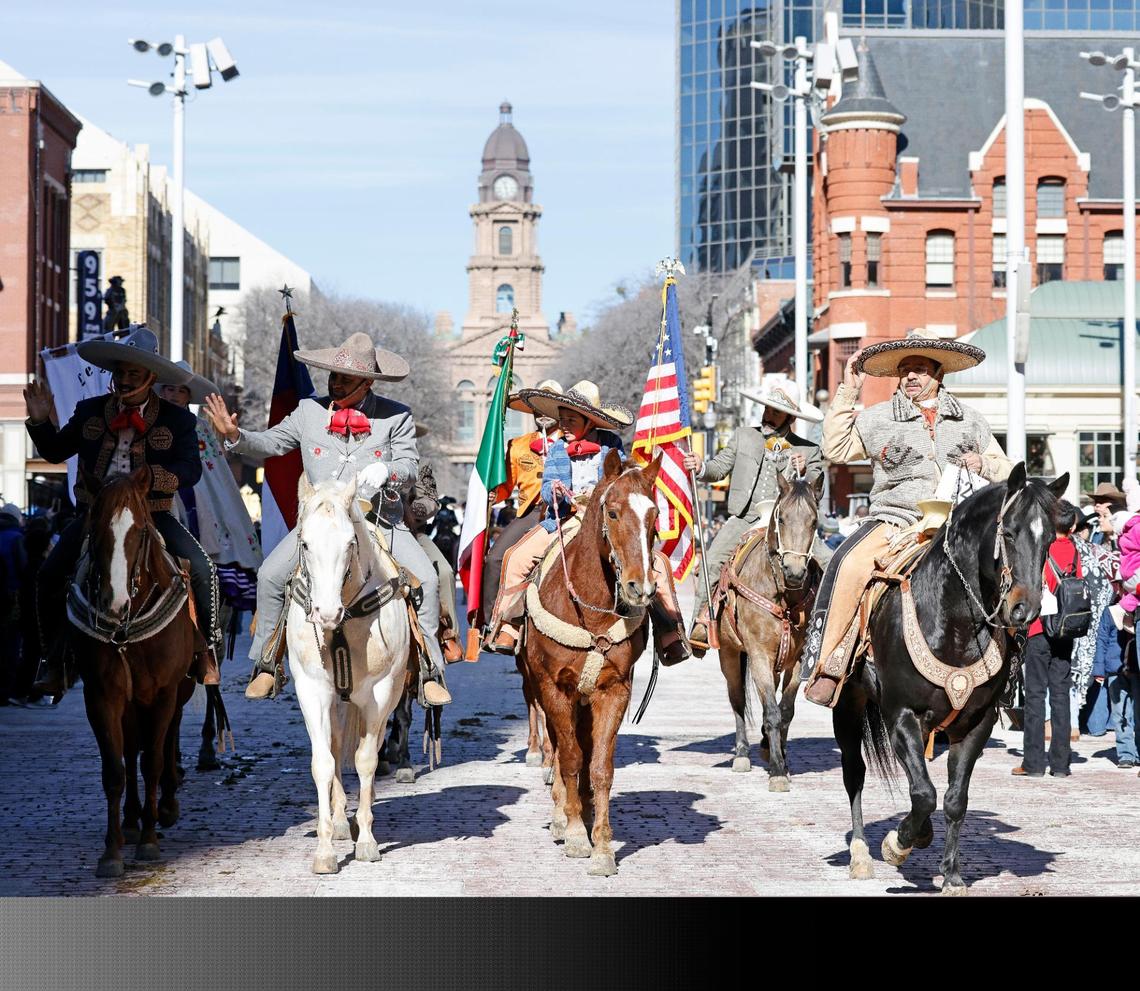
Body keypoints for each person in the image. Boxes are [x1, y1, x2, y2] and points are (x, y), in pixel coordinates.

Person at [203, 332, 451, 706]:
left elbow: (410, 467)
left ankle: (431, 668)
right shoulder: (309, 411)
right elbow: (270, 444)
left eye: (344, 379)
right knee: (270, 575)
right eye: (331, 376)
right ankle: (267, 663)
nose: (335, 384)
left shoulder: (396, 416)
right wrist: (235, 435)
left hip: (378, 520)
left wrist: (387, 471)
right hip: (321, 522)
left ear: (367, 382)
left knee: (430, 580)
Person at [801, 329, 1012, 707]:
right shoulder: (879, 417)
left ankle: (1011, 674)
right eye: (905, 370)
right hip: (895, 522)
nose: (911, 377)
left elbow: (1005, 467)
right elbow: (834, 447)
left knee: (1012, 568)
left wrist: (984, 462)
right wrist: (849, 391)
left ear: (939, 374)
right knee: (845, 564)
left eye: (920, 369)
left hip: (959, 527)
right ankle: (830, 664)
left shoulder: (971, 420)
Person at [25, 327, 221, 697]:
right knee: (49, 575)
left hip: (151, 514)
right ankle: (52, 661)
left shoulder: (179, 421)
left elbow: (190, 471)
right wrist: (39, 421)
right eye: (121, 372)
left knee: (204, 568)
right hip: (95, 515)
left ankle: (206, 652)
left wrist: (152, 479)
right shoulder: (90, 411)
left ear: (151, 378)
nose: (126, 380)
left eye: (134, 373)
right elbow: (53, 451)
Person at [484, 380, 690, 664]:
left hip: (607, 519)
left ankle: (670, 633)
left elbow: (623, 477)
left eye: (571, 420)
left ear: (588, 421)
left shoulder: (611, 446)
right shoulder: (557, 450)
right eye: (563, 419)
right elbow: (546, 486)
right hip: (566, 518)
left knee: (657, 566)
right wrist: (554, 492)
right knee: (515, 558)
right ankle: (507, 625)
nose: (564, 425)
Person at [681, 385, 825, 655]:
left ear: (790, 418)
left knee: (829, 563)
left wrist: (804, 471)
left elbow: (818, 489)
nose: (768, 415)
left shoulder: (809, 450)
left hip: (789, 524)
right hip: (745, 517)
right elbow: (717, 468)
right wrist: (700, 467)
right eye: (767, 408)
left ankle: (825, 632)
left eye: (776, 412)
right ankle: (702, 621)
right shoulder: (743, 436)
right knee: (712, 561)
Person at [480, 379, 563, 627]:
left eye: (548, 407)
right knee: (494, 559)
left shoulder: (571, 441)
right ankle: (492, 622)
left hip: (566, 512)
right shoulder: (517, 446)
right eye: (538, 407)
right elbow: (507, 486)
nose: (542, 414)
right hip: (531, 512)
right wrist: (493, 493)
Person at [1013, 501, 1083, 777]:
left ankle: (1033, 763)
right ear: (1073, 526)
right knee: (1061, 696)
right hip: (1066, 630)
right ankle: (1061, 764)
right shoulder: (1075, 551)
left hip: (1040, 629)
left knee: (1035, 695)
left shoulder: (1044, 549)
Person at [1091, 602, 1138, 768]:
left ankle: (1138, 752)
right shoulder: (1110, 611)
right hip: (1115, 670)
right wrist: (1099, 669)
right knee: (1119, 715)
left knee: (1137, 714)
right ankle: (1126, 754)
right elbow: (1102, 639)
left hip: (1136, 668)